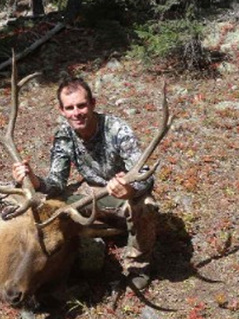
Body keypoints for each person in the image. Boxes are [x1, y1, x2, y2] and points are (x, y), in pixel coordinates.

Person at [12, 77, 158, 290]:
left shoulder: (117, 130)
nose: (76, 112)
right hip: (91, 192)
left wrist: (129, 188)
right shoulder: (64, 135)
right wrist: (33, 180)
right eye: (69, 108)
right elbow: (56, 182)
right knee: (49, 204)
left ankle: (138, 265)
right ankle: (69, 252)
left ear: (92, 104)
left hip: (121, 194)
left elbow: (146, 175)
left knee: (146, 206)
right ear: (61, 110)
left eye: (81, 105)